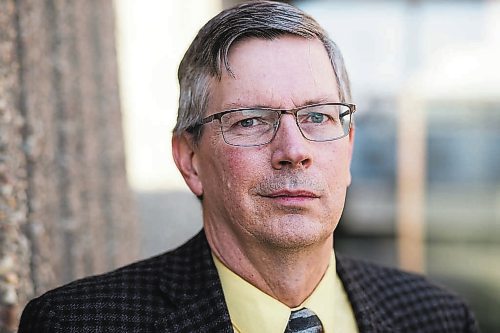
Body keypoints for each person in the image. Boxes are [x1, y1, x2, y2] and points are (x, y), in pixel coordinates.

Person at [19, 1, 478, 332]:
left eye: (318, 116)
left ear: (350, 146)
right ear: (190, 160)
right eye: (251, 121)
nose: (293, 149)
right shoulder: (77, 323)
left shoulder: (438, 317)